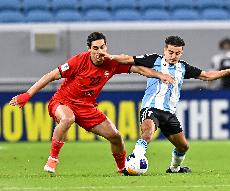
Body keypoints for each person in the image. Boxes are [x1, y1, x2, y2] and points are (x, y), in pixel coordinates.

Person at [9, 32, 174, 174]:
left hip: (86, 107)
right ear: (89, 49)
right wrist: (28, 94)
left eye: (102, 47)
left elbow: (138, 69)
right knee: (67, 119)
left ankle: (123, 168)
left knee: (116, 137)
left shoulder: (112, 63)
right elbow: (50, 76)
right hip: (63, 101)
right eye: (95, 48)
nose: (99, 52)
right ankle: (53, 159)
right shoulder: (78, 61)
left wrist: (160, 75)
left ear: (106, 47)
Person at [108, 35, 230, 174]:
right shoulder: (154, 60)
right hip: (151, 107)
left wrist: (229, 70)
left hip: (169, 114)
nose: (174, 56)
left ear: (182, 52)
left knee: (183, 147)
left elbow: (206, 75)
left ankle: (174, 168)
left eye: (177, 53)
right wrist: (109, 57)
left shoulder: (183, 67)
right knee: (148, 133)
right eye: (171, 52)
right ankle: (135, 158)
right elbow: (127, 59)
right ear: (165, 50)